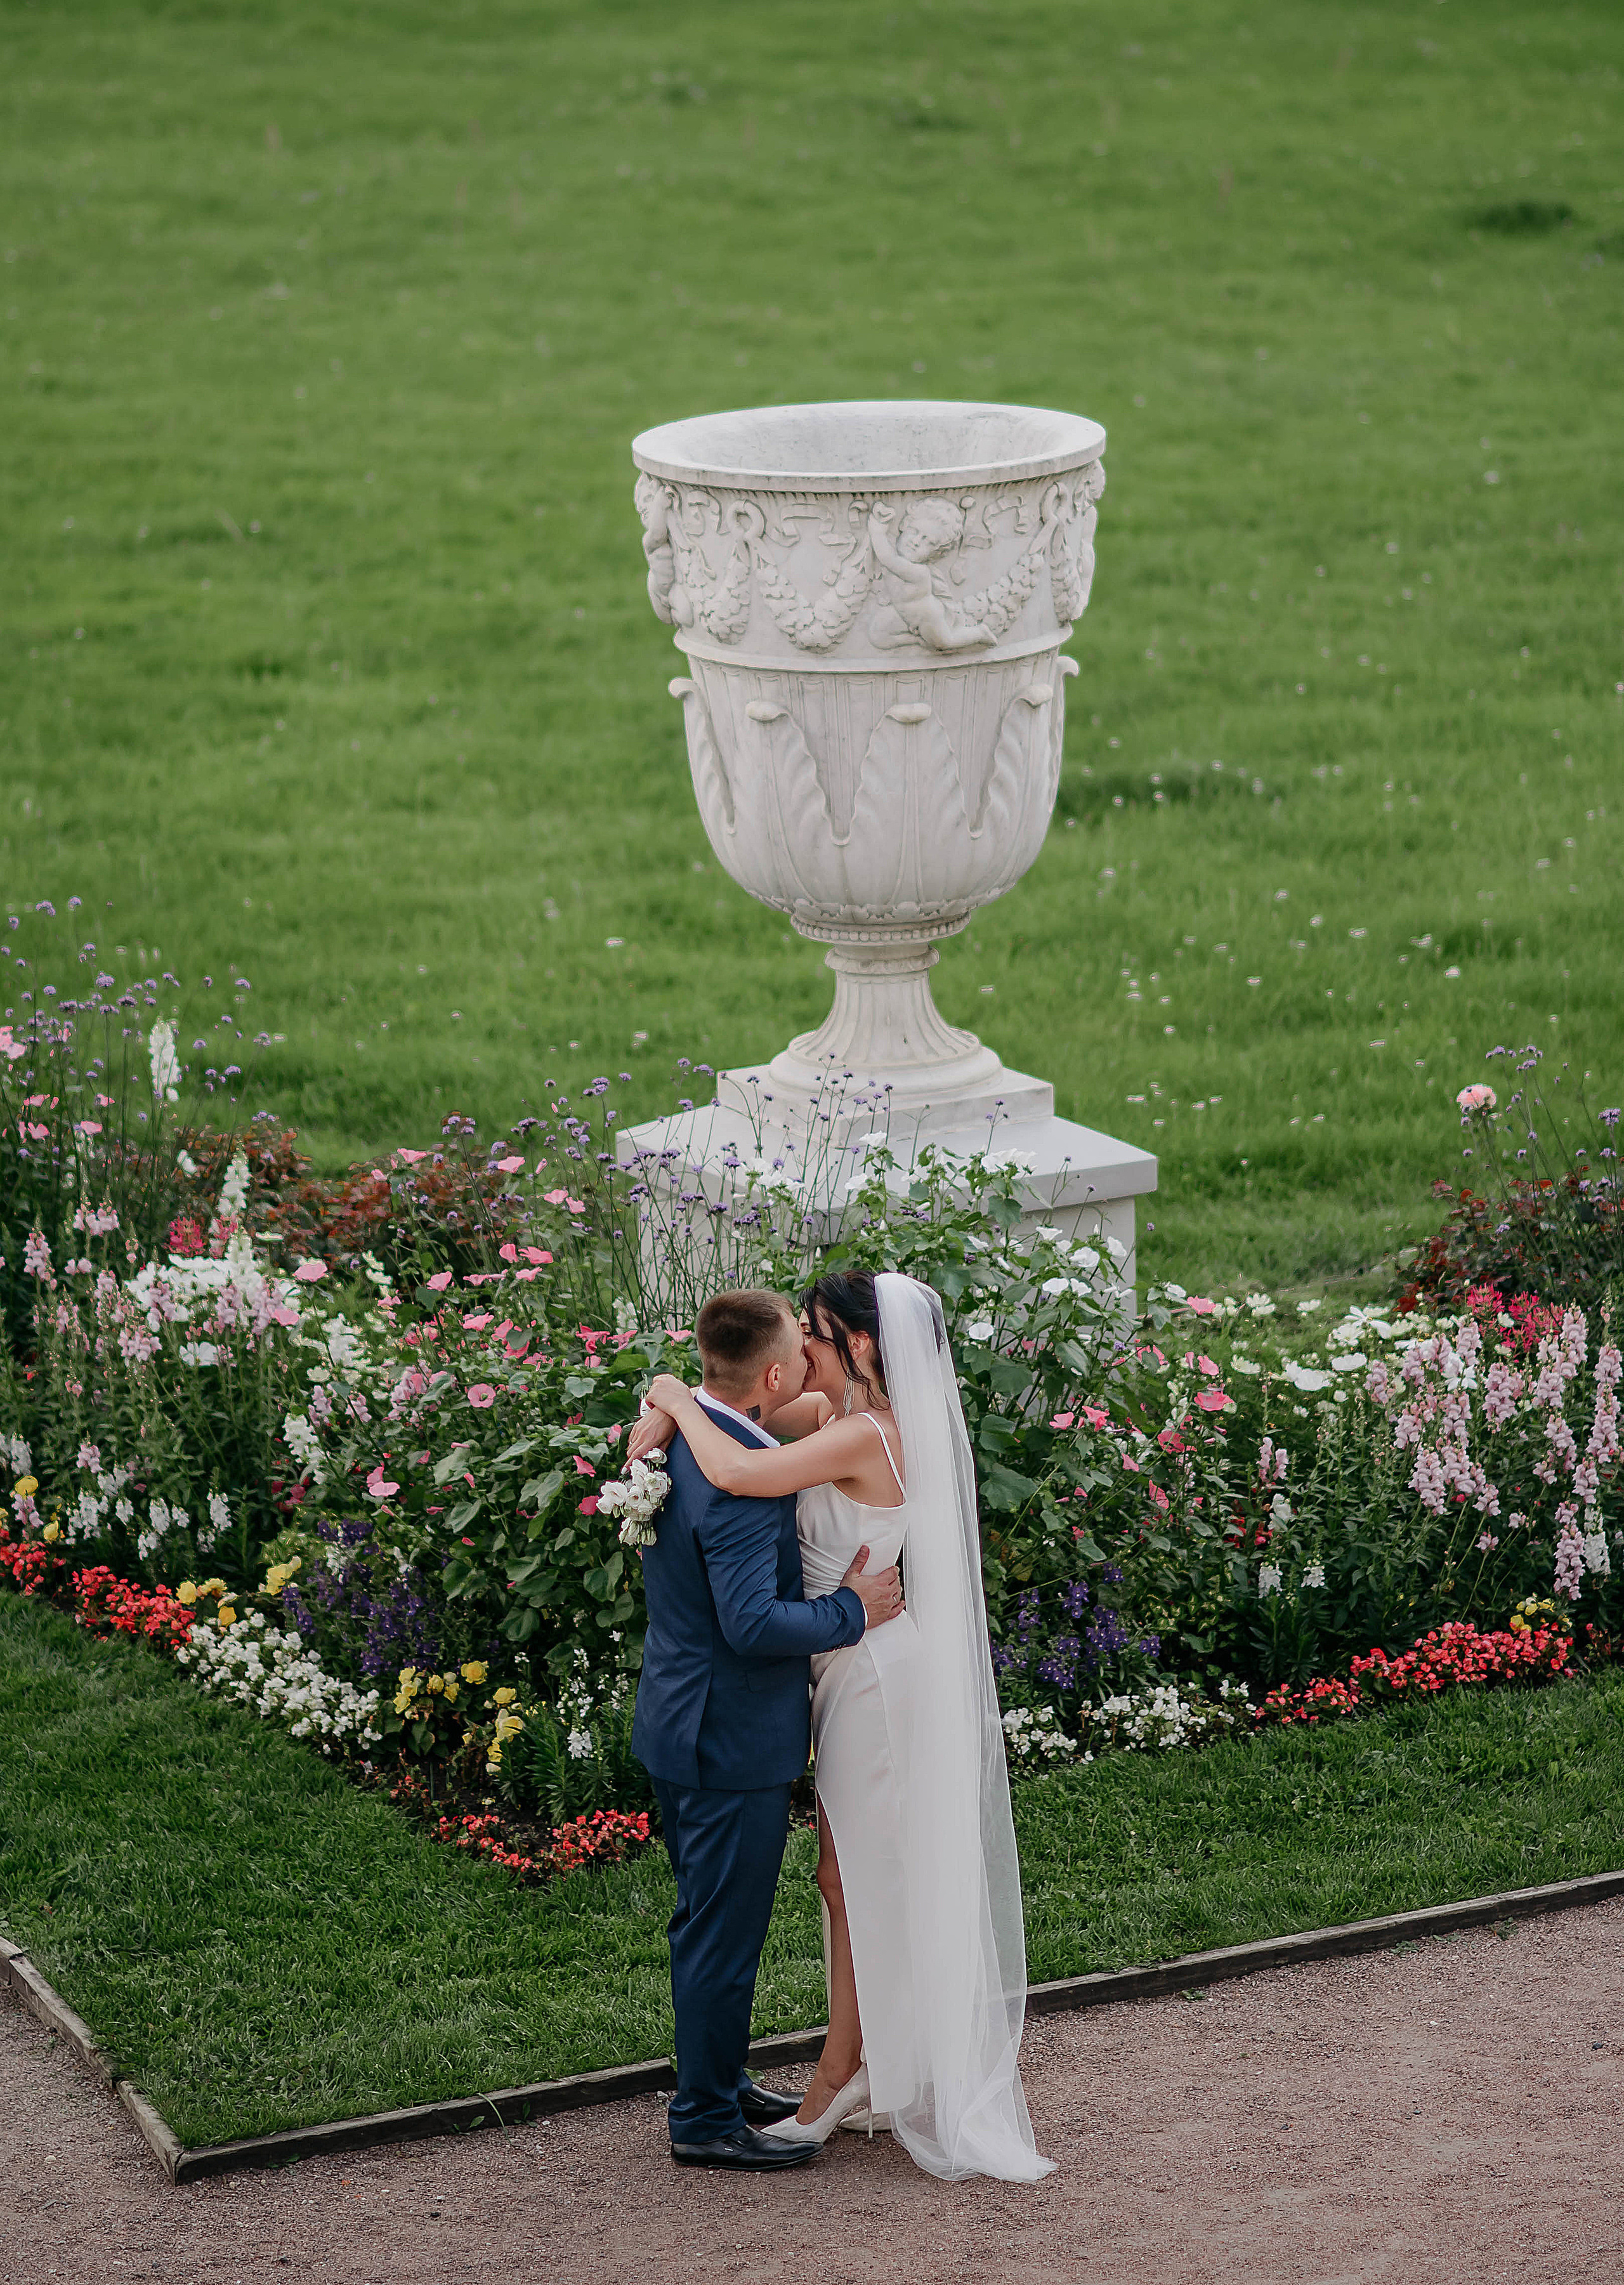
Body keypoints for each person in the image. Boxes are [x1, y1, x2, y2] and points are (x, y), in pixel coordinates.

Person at [636, 1270, 1054, 2184]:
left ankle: (841, 2075)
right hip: (834, 1670)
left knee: (862, 1879)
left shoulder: (869, 1432)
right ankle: (860, 2065)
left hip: (869, 1672)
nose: (804, 1348)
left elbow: (738, 1467)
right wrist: (675, 1405)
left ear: (859, 1344)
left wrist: (668, 1394)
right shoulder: (835, 1409)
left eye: (816, 1333)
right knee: (840, 1878)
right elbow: (742, 1411)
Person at [631, 1287, 905, 2173]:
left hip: (679, 1714)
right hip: (729, 1735)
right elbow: (752, 1625)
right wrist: (850, 1610)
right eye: (799, 1346)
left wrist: (671, 1396)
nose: (810, 1355)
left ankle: (720, 2078)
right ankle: (705, 2117)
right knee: (721, 1931)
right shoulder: (739, 1476)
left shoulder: (690, 1438)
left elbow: (745, 1409)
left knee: (704, 1921)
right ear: (777, 1375)